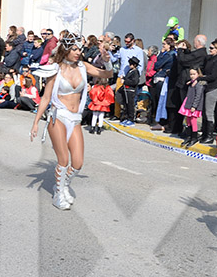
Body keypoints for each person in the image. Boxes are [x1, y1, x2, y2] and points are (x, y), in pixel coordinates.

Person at [30, 36, 113, 209]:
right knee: (63, 159)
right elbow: (46, 98)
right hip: (58, 115)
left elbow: (108, 74)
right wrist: (36, 122)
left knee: (78, 163)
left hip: (75, 118)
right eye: (74, 49)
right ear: (65, 49)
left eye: (79, 49)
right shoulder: (55, 70)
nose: (78, 52)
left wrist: (107, 61)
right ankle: (59, 194)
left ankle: (62, 185)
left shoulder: (83, 67)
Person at [200, 39, 217, 143]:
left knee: (209, 112)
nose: (210, 50)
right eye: (209, 48)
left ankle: (209, 136)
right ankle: (204, 133)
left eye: (212, 48)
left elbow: (214, 76)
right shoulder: (210, 59)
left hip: (213, 87)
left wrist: (201, 78)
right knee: (205, 111)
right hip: (207, 86)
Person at [179, 67, 205, 147]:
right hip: (188, 103)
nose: (192, 76)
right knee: (188, 120)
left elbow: (198, 96)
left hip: (194, 105)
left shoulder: (199, 84)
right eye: (191, 74)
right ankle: (189, 136)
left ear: (198, 74)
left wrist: (194, 106)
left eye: (194, 74)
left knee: (193, 121)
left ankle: (194, 137)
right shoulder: (192, 82)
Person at [119, 57, 141, 127]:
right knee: (126, 105)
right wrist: (124, 78)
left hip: (130, 90)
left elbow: (134, 82)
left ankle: (131, 119)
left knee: (130, 105)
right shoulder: (130, 71)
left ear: (134, 65)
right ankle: (126, 117)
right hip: (126, 90)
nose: (129, 65)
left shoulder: (136, 72)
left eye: (131, 64)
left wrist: (125, 81)